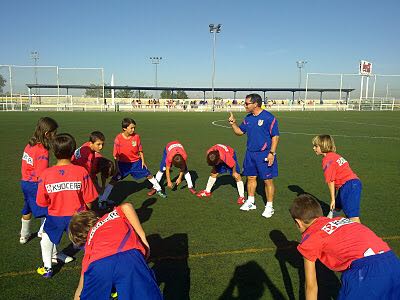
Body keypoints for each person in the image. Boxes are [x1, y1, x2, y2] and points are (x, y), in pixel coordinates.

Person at [290, 194, 400, 299]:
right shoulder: (340, 220)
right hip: (392, 261)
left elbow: (311, 286)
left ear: (298, 222)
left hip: (365, 273)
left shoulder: (310, 239)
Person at [69, 203, 162, 300]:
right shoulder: (109, 217)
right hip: (129, 257)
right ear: (94, 217)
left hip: (97, 265)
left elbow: (81, 286)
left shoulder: (89, 244)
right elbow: (126, 206)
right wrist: (143, 237)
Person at [36, 133, 99, 278]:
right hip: (78, 216)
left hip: (55, 215)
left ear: (54, 151)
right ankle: (98, 266)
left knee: (46, 238)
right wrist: (87, 212)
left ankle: (47, 268)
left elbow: (42, 202)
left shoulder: (45, 174)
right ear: (73, 152)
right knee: (89, 242)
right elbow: (89, 198)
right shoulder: (81, 171)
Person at [228, 93, 279, 218]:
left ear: (255, 104)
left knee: (267, 180)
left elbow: (275, 136)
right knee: (250, 178)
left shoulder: (268, 118)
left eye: (247, 103)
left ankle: (269, 206)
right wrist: (233, 124)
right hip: (250, 153)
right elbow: (240, 132)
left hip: (265, 154)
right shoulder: (248, 118)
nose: (244, 105)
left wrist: (272, 153)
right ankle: (251, 201)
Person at [99, 118, 166, 205]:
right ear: (124, 128)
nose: (133, 130)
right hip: (123, 165)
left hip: (136, 163)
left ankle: (158, 189)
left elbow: (140, 150)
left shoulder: (136, 137)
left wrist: (143, 161)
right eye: (131, 128)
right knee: (113, 181)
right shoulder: (118, 139)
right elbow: (116, 155)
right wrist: (117, 168)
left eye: (134, 128)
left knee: (148, 175)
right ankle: (103, 200)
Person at [20, 117, 58, 244]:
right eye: (54, 133)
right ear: (47, 134)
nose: (55, 135)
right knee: (47, 211)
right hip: (35, 185)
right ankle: (43, 234)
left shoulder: (30, 144)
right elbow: (42, 174)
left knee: (27, 208)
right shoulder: (42, 150)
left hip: (25, 182)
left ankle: (24, 234)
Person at [312, 135, 362, 223]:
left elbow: (331, 181)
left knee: (353, 217)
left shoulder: (327, 160)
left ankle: (361, 236)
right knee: (337, 207)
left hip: (349, 185)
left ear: (323, 146)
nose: (313, 148)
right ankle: (331, 222)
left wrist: (332, 199)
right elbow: (334, 180)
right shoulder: (334, 156)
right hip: (350, 184)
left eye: (316, 146)